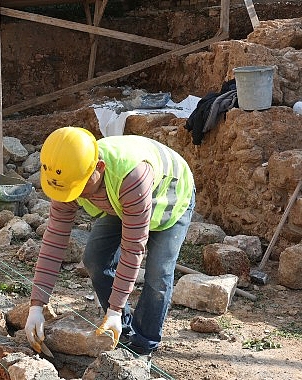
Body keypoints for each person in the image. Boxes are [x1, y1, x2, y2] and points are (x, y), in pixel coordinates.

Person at [24, 127, 195, 368]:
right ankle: (122, 329)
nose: (76, 196)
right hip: (120, 200)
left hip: (170, 197)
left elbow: (133, 249)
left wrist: (113, 308)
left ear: (99, 168)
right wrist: (36, 305)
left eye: (80, 188)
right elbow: (54, 241)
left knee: (158, 274)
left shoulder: (131, 176)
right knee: (95, 259)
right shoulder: (68, 176)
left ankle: (143, 345)